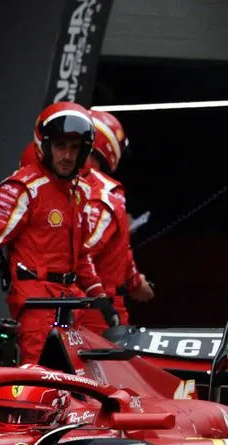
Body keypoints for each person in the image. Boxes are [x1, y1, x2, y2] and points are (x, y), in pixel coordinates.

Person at [0, 101, 117, 365]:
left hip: (71, 303)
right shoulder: (22, 188)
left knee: (77, 384)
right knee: (36, 382)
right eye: (61, 146)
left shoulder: (79, 191)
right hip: (35, 304)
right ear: (45, 145)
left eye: (74, 148)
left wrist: (100, 298)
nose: (67, 156)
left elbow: (81, 255)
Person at [81, 108, 154, 327]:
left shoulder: (65, 185)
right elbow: (83, 252)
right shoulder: (105, 191)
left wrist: (134, 282)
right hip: (94, 309)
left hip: (70, 302)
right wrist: (135, 284)